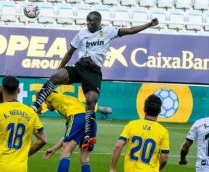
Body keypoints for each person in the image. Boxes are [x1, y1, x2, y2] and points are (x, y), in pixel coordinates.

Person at [32, 11, 159, 148]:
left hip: (93, 71)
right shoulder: (81, 34)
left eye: (92, 20)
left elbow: (130, 30)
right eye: (87, 20)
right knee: (55, 77)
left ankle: (87, 135)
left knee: (91, 100)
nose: (89, 23)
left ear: (99, 21)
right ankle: (36, 105)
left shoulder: (108, 31)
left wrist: (149, 24)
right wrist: (60, 68)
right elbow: (69, 53)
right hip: (80, 66)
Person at [108, 94, 169, 172]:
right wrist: (155, 171)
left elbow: (118, 146)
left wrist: (112, 168)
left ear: (144, 108)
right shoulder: (163, 131)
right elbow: (164, 159)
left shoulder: (132, 125)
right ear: (160, 111)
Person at [39, 91, 97, 172]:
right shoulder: (67, 105)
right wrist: (54, 149)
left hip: (78, 116)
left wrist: (39, 107)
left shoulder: (53, 96)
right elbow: (66, 137)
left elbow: (38, 91)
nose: (46, 106)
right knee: (85, 157)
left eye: (45, 103)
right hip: (91, 120)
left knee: (66, 150)